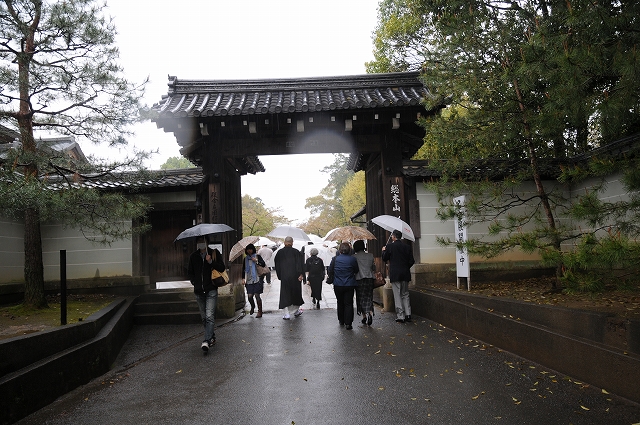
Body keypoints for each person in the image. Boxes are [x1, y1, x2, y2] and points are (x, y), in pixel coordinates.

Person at [187, 237, 226, 352]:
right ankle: (212, 337)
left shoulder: (214, 253)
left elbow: (222, 267)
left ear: (207, 243)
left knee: (209, 316)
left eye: (203, 242)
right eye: (199, 242)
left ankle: (206, 341)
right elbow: (190, 272)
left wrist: (211, 262)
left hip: (211, 290)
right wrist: (194, 282)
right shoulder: (193, 256)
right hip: (199, 291)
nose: (201, 244)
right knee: (204, 318)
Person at [382, 229, 415, 323]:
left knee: (397, 295)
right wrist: (405, 267)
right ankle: (408, 314)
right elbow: (411, 261)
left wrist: (384, 251)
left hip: (395, 273)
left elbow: (385, 258)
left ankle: (401, 316)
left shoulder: (390, 246)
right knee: (405, 294)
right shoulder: (407, 247)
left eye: (392, 235)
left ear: (393, 236)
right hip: (405, 273)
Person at [327, 242, 359, 330]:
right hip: (349, 284)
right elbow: (356, 270)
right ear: (349, 250)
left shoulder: (335, 259)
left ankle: (341, 320)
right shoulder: (352, 259)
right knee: (348, 303)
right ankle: (348, 323)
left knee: (340, 302)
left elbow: (330, 270)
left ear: (340, 250)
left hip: (338, 284)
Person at [274, 236, 305, 320]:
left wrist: (280, 275)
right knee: (296, 293)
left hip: (284, 276)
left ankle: (287, 313)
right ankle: (296, 310)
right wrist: (301, 275)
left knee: (285, 294)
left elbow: (277, 265)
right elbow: (300, 264)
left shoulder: (280, 252)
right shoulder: (296, 252)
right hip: (295, 276)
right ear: (292, 242)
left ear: (284, 242)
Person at [353, 240, 376, 326]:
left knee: (360, 297)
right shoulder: (370, 256)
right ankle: (370, 313)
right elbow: (373, 268)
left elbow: (354, 269)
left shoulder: (354, 257)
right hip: (369, 279)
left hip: (359, 279)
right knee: (369, 296)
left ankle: (364, 316)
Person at [242, 243, 267, 318]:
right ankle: (252, 306)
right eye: (248, 249)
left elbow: (263, 264)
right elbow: (243, 270)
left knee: (257, 295)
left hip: (257, 279)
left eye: (251, 249)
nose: (249, 251)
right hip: (249, 280)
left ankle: (260, 311)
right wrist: (243, 278)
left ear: (253, 249)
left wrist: (256, 261)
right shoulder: (245, 259)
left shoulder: (257, 256)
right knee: (250, 296)